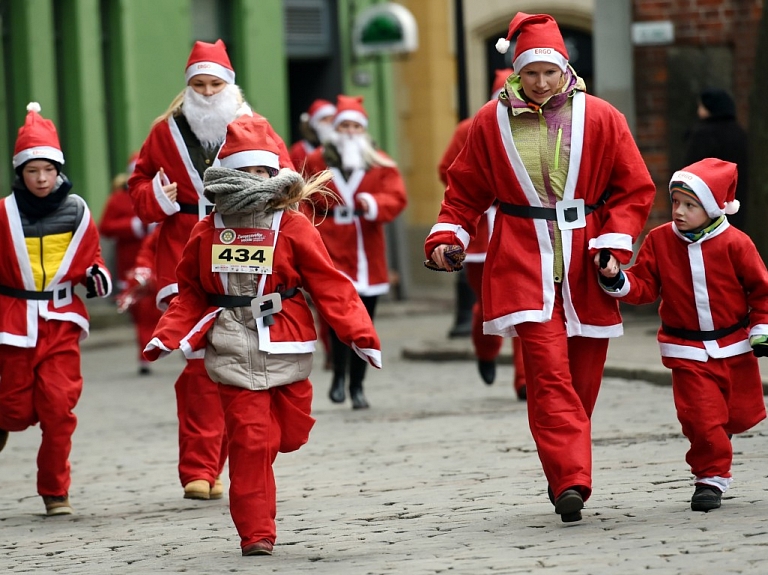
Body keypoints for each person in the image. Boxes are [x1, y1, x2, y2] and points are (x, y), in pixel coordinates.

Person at [423, 12, 656, 523]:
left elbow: (634, 187)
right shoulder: (490, 121)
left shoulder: (601, 117)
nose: (543, 82)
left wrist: (615, 241)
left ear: (565, 66)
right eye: (532, 73)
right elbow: (463, 192)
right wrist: (447, 237)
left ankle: (563, 467)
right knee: (547, 375)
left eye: (551, 71)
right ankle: (572, 479)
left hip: (587, 260)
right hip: (523, 261)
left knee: (582, 382)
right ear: (516, 72)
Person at [142, 114, 382, 556]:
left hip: (286, 341)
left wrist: (359, 334)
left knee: (287, 435)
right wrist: (167, 335)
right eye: (247, 171)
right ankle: (256, 534)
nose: (256, 179)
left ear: (275, 174)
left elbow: (329, 284)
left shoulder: (292, 225)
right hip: (230, 344)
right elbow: (191, 293)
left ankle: (265, 456)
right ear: (228, 173)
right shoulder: (206, 230)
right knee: (251, 441)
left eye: (263, 171)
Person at [128, 38, 293, 501]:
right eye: (197, 85)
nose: (205, 92)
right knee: (199, 361)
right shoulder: (164, 131)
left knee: (235, 362)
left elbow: (287, 178)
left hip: (244, 250)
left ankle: (227, 458)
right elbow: (139, 181)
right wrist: (155, 198)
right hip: (183, 247)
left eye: (213, 84)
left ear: (229, 85)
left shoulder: (255, 125)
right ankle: (199, 468)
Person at [598, 158, 768, 512]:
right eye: (676, 202)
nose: (679, 211)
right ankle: (710, 478)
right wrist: (617, 277)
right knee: (699, 417)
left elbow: (760, 291)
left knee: (735, 415)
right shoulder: (660, 241)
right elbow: (644, 286)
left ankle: (718, 439)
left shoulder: (737, 243)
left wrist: (761, 329)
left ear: (711, 208)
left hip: (733, 347)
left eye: (690, 205)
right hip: (687, 349)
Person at [0, 102, 112, 516]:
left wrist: (96, 276)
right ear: (20, 173)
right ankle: (4, 420)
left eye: (48, 169)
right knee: (14, 408)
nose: (42, 178)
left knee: (58, 408)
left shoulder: (78, 210)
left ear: (59, 169)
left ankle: (55, 491)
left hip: (61, 321)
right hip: (12, 323)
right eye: (32, 171)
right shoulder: (3, 213)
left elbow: (92, 257)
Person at [304, 94, 407, 409]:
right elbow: (303, 200)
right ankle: (338, 376)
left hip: (366, 248)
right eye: (344, 125)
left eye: (354, 125)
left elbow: (396, 197)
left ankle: (358, 386)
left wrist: (374, 203)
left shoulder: (379, 160)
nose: (349, 131)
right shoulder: (318, 160)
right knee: (337, 321)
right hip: (331, 245)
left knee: (365, 322)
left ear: (362, 130)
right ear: (335, 128)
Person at [438, 68, 527, 399]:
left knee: (525, 304)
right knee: (488, 304)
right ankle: (486, 350)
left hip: (521, 229)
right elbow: (449, 170)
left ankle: (524, 380)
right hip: (480, 236)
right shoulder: (471, 127)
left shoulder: (534, 126)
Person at [99, 153, 162, 375]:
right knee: (139, 309)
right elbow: (105, 227)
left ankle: (168, 346)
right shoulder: (118, 199)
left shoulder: (162, 194)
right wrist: (133, 226)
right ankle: (146, 351)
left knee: (158, 307)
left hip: (160, 262)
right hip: (130, 264)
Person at [682, 88, 749, 230]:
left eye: (701, 106)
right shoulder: (739, 133)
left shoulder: (703, 134)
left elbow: (691, 171)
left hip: (705, 204)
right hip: (735, 202)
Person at [289, 98, 336, 175]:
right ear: (314, 123)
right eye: (324, 119)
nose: (328, 123)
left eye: (332, 119)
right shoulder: (299, 150)